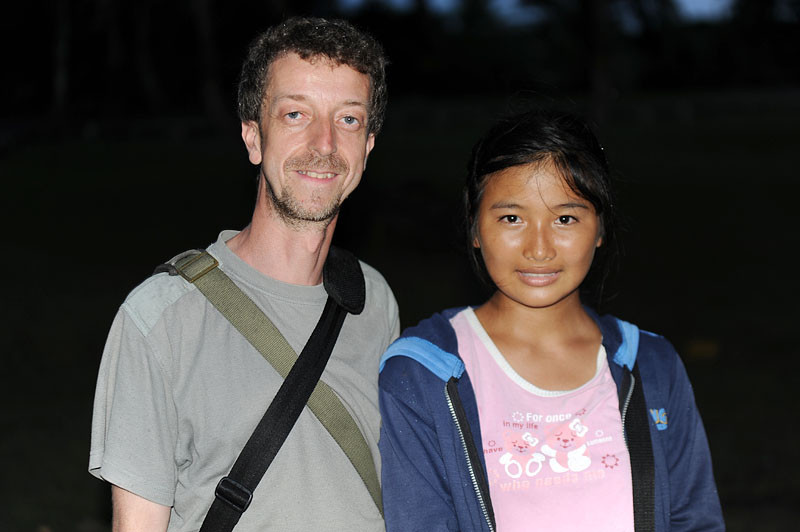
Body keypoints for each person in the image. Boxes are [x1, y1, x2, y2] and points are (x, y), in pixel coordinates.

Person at [89, 17, 399, 532]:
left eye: (348, 120)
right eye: (296, 114)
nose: (324, 143)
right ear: (254, 138)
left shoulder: (373, 298)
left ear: (367, 147)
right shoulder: (159, 319)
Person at [378, 110, 724, 531]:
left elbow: (695, 520)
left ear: (600, 228)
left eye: (565, 218)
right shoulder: (420, 376)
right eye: (512, 218)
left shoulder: (652, 365)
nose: (539, 249)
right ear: (474, 225)